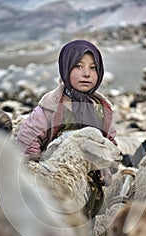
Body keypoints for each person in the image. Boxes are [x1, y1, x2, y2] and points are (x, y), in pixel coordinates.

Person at [17, 39, 118, 217]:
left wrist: (106, 167)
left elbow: (110, 144)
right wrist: (46, 174)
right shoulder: (50, 108)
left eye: (93, 68)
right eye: (78, 66)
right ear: (65, 68)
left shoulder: (102, 110)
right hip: (56, 197)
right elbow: (27, 141)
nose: (86, 73)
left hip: (91, 197)